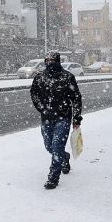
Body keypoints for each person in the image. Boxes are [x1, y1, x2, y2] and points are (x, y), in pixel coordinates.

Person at [30, 51, 83, 189]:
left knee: (57, 146)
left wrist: (76, 118)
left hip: (63, 117)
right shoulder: (40, 78)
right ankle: (64, 157)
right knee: (49, 146)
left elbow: (76, 98)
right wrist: (41, 107)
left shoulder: (67, 77)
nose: (49, 62)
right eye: (47, 60)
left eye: (52, 60)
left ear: (58, 61)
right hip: (46, 118)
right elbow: (34, 94)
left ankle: (53, 177)